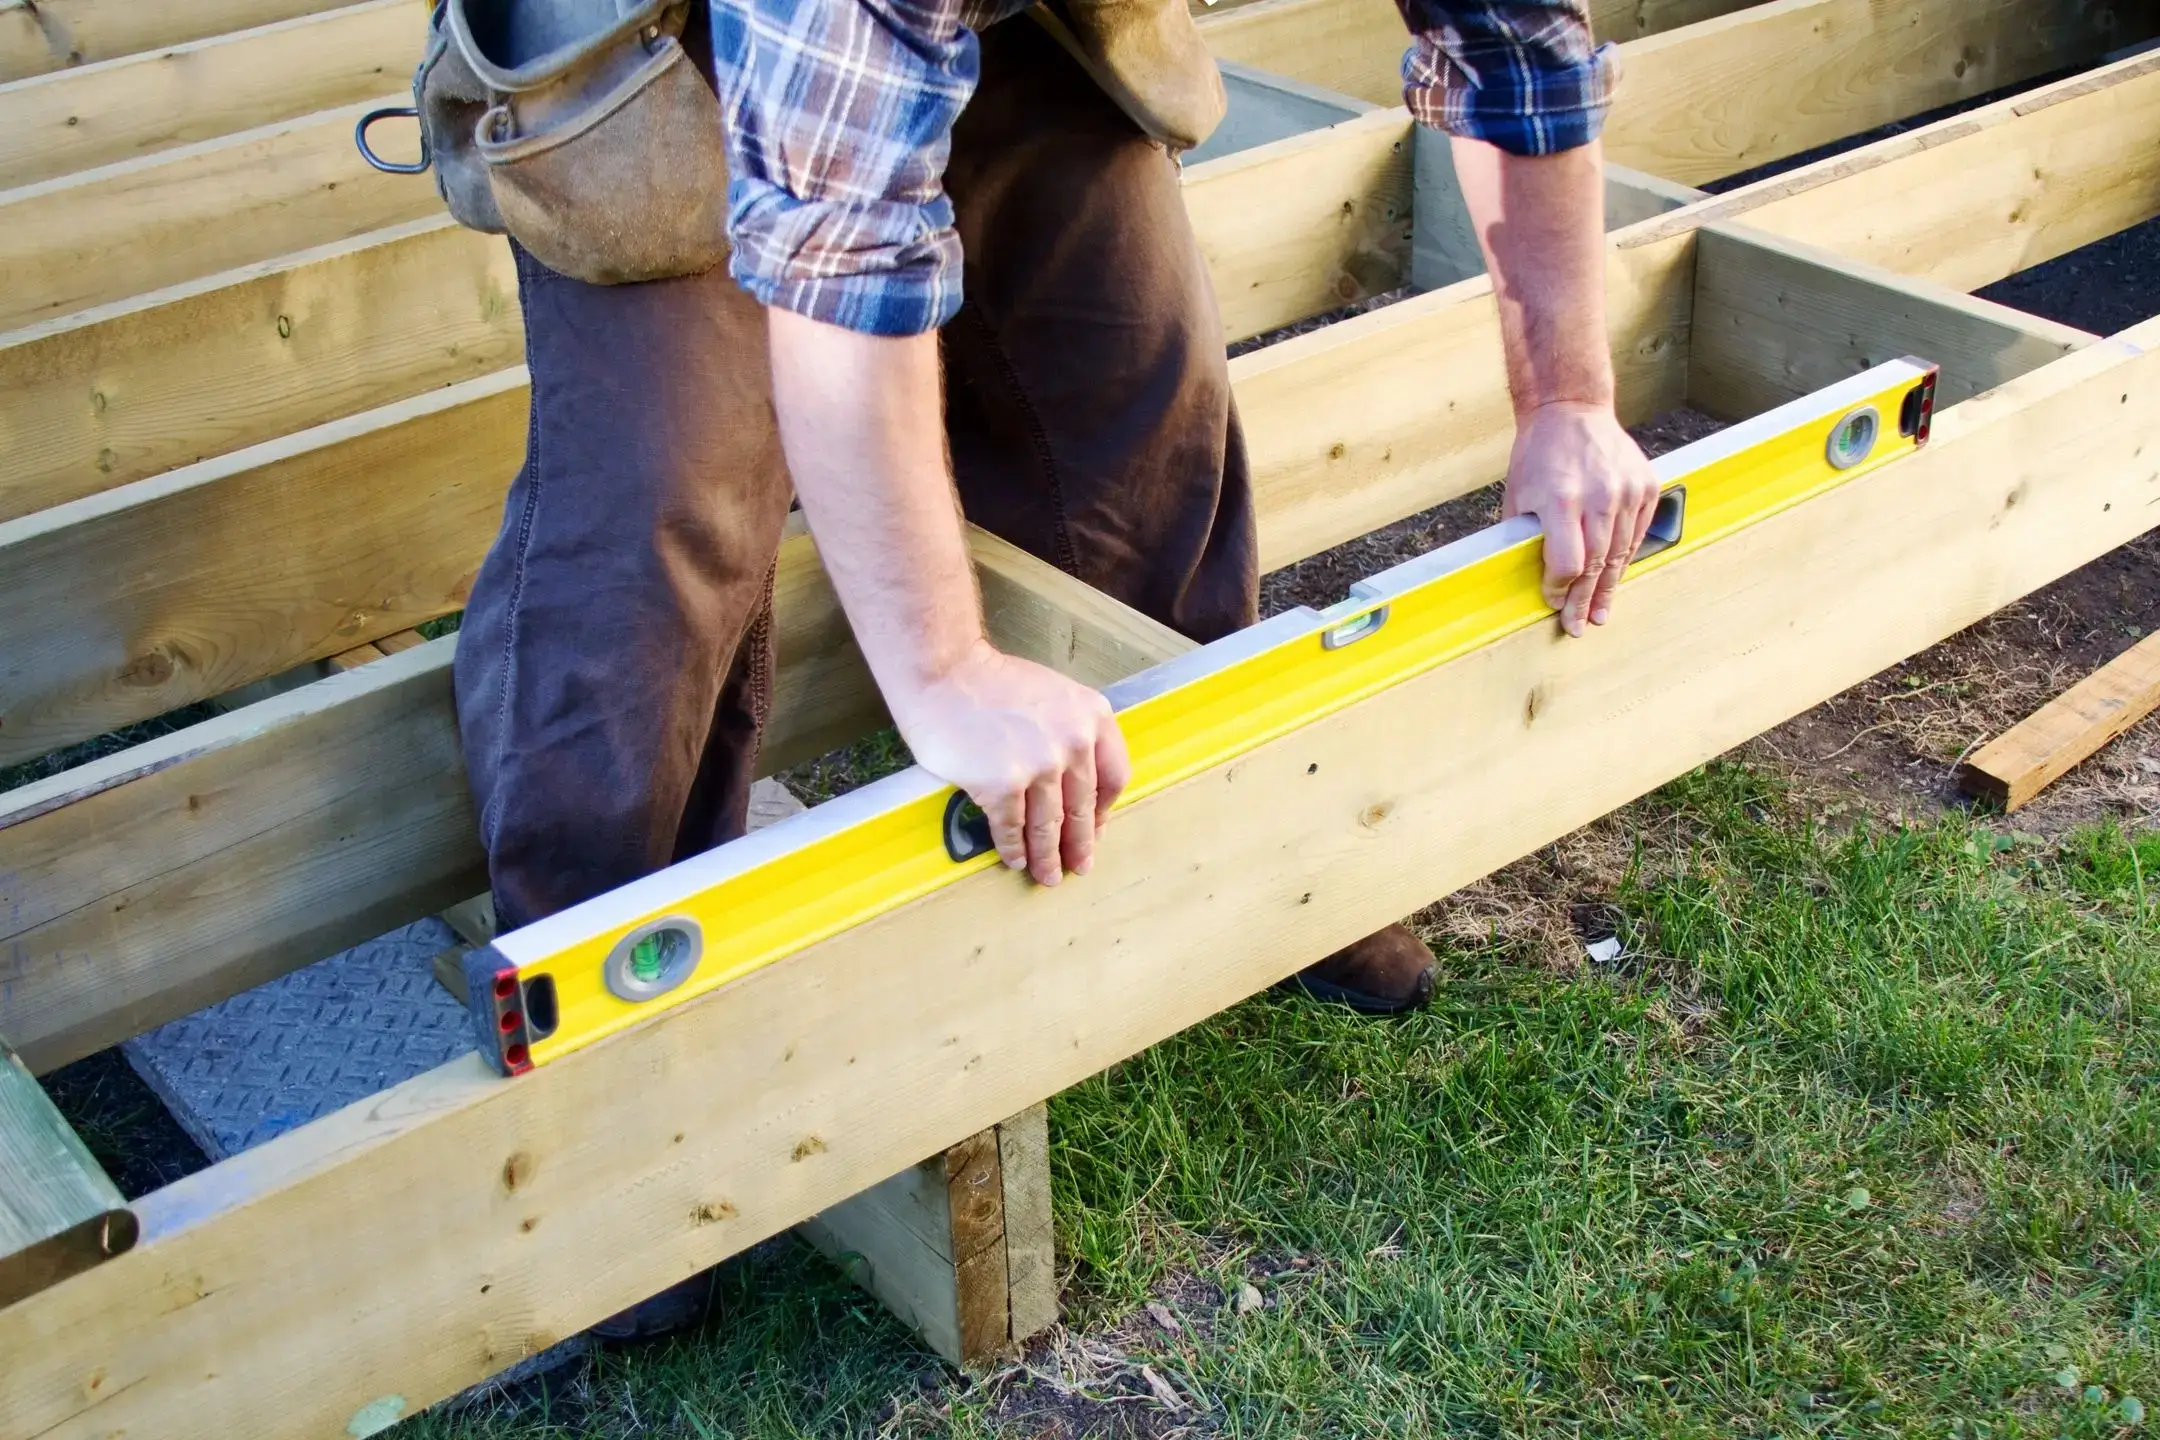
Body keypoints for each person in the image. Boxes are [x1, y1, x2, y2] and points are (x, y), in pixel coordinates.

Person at [451, 0, 1656, 1334]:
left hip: (982, 23)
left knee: (1129, 388)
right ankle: (611, 1090)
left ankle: (1227, 864)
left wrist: (1568, 398)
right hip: (656, 40)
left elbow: (1518, 48)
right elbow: (841, 244)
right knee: (671, 508)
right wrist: (943, 670)